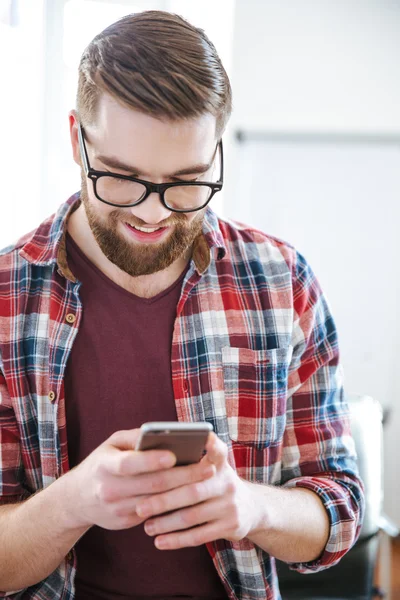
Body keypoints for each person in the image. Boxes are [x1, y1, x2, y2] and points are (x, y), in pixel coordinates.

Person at [0, 10, 364, 600]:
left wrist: (251, 508)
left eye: (187, 182)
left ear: (216, 151)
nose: (153, 213)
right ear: (76, 139)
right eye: (121, 177)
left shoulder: (281, 282)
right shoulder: (7, 298)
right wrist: (75, 500)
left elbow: (340, 513)